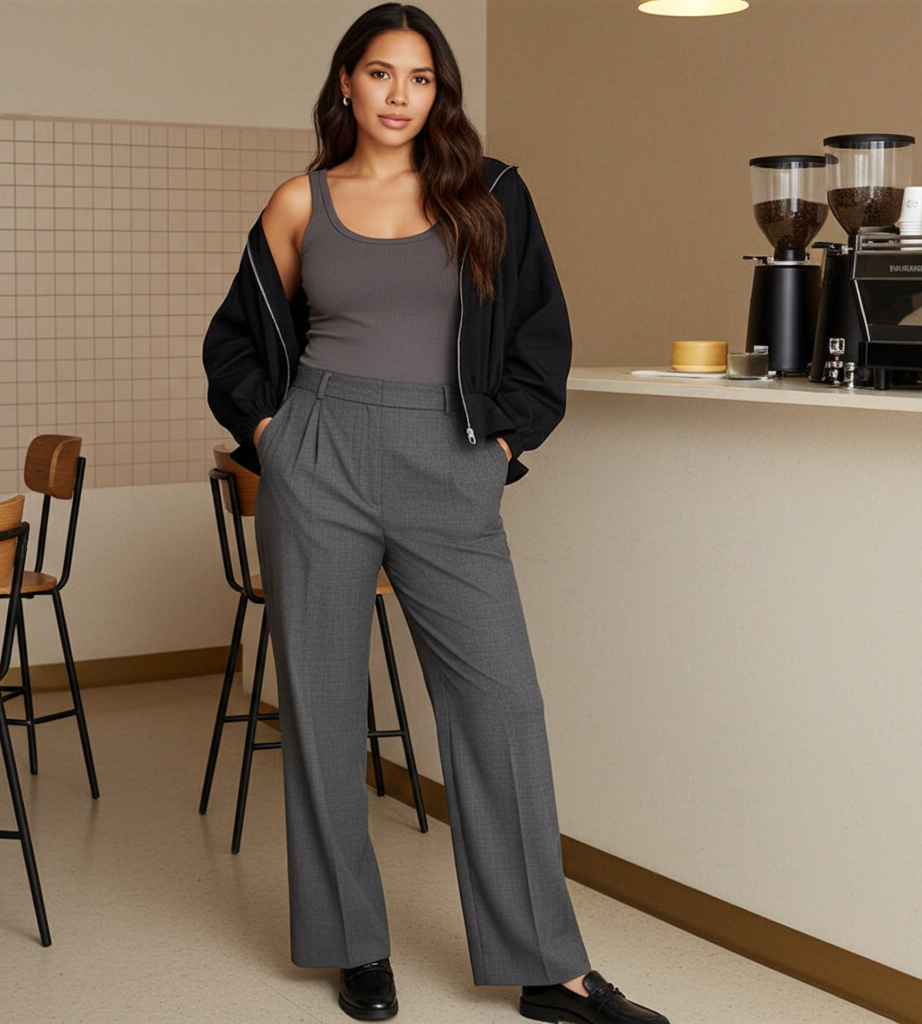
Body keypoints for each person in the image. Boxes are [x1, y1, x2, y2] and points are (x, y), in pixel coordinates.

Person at [203, 5, 670, 1023]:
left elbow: (541, 336)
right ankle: (350, 945)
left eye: (418, 77)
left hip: (447, 458)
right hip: (317, 453)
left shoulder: (490, 195)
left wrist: (499, 447)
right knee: (321, 711)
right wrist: (275, 435)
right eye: (378, 73)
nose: (398, 95)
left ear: (438, 92)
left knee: (502, 706)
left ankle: (549, 967)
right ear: (345, 85)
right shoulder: (298, 201)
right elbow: (233, 346)